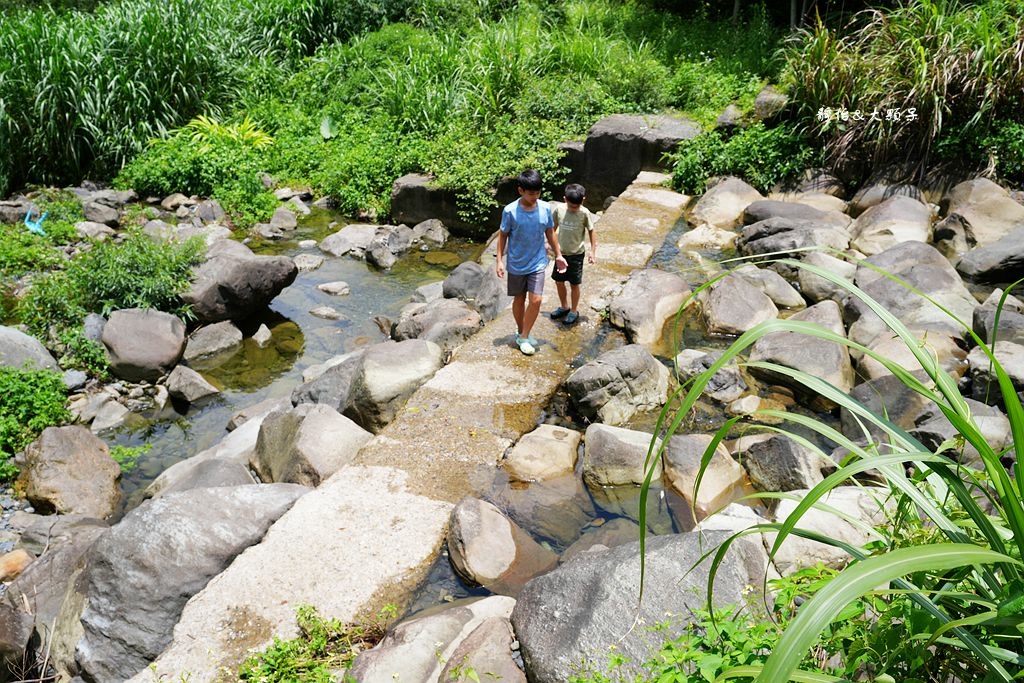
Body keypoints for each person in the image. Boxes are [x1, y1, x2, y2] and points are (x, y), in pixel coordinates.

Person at [495, 169, 568, 356]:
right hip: (517, 263)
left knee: (536, 300)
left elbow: (550, 232)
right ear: (521, 191)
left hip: (537, 262)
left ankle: (525, 335)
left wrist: (558, 255)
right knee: (519, 299)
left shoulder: (544, 208)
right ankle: (521, 331)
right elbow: (502, 235)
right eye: (530, 193)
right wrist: (499, 261)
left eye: (538, 193)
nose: (535, 197)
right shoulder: (510, 211)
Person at [549, 183, 597, 325]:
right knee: (559, 281)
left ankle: (574, 311)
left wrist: (593, 252)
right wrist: (550, 244)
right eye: (571, 206)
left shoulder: (585, 213)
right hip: (560, 254)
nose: (573, 209)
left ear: (583, 200)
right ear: (565, 199)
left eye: (576, 206)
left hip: (576, 254)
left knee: (574, 284)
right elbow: (552, 228)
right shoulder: (559, 210)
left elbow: (592, 231)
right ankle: (564, 306)